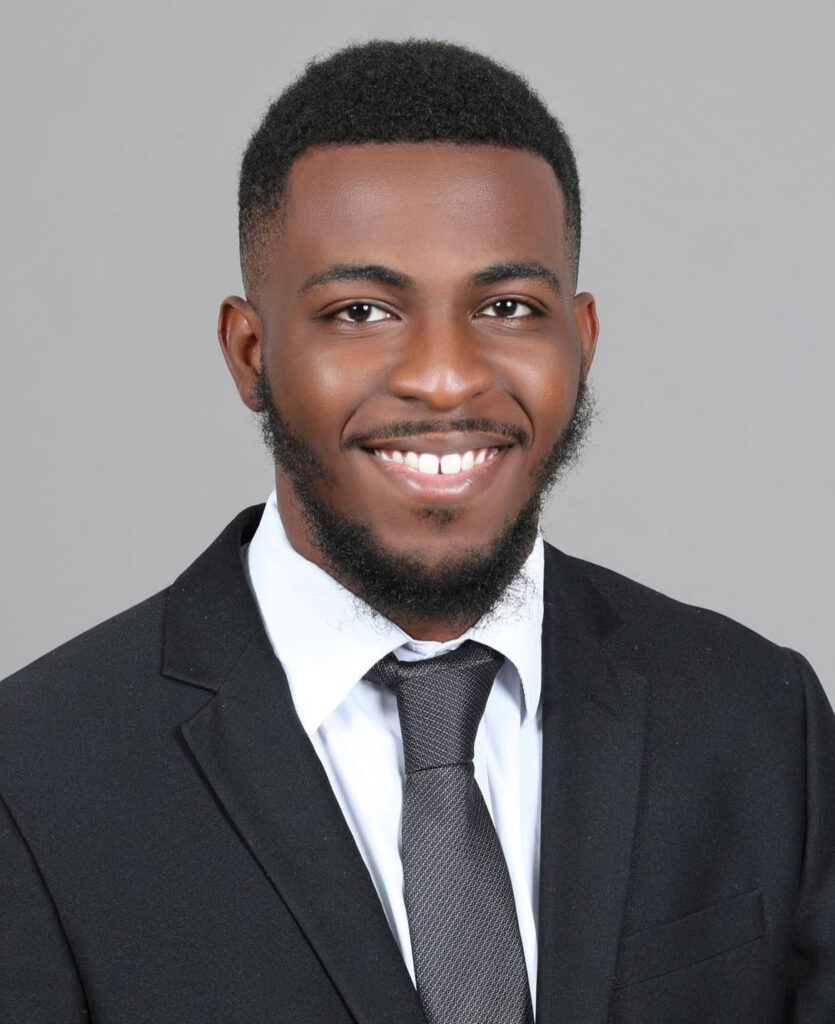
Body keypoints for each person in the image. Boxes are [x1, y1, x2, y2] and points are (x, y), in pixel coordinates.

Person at [1, 38, 832, 1024]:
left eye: (507, 306)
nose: (444, 377)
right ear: (250, 351)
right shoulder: (35, 777)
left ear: (580, 342)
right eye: (361, 311)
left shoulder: (759, 720)